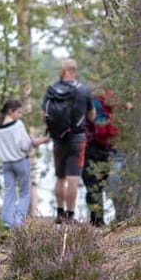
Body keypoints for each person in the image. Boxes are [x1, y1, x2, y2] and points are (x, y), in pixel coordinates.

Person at [42, 59, 95, 224]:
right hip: (77, 139)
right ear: (74, 70)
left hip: (58, 139)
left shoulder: (51, 90)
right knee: (73, 177)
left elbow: (44, 115)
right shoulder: (83, 90)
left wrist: (55, 130)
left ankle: (59, 213)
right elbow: (91, 116)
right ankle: (70, 216)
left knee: (60, 177)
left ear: (63, 71)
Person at [0, 99, 49, 229]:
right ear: (11, 111)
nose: (20, 115)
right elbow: (25, 144)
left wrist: (5, 154)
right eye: (19, 112)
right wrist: (42, 140)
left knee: (9, 191)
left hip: (6, 164)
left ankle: (6, 221)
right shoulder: (17, 125)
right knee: (24, 193)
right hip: (20, 162)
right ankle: (17, 223)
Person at [82, 91, 120, 226]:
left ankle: (96, 221)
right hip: (104, 149)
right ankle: (99, 220)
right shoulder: (105, 107)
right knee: (99, 185)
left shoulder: (96, 104)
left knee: (93, 186)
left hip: (93, 149)